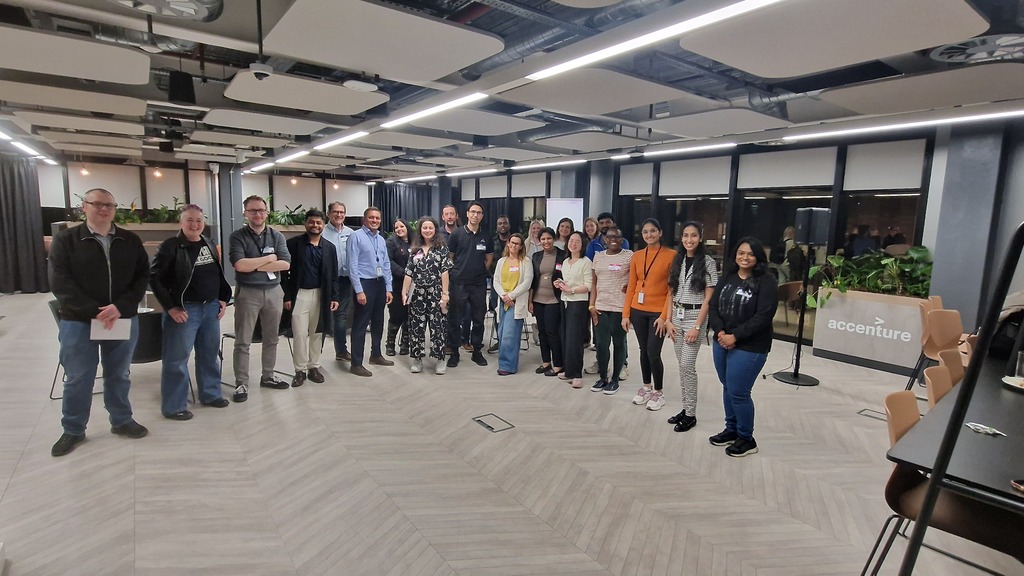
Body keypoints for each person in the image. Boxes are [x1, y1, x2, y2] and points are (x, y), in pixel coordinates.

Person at [48, 188, 150, 456]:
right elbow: (60, 282)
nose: (104, 209)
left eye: (109, 205)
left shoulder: (130, 240)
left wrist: (120, 307)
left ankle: (122, 419)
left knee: (119, 373)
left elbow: (142, 276)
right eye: (97, 204)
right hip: (79, 321)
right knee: (79, 377)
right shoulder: (66, 240)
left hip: (120, 317)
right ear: (84, 207)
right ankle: (73, 429)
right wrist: (95, 311)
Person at [150, 204, 232, 421]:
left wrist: (222, 298)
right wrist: (171, 307)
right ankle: (174, 406)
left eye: (199, 220)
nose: (195, 224)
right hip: (185, 310)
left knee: (209, 353)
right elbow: (155, 278)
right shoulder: (170, 246)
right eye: (190, 220)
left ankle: (211, 394)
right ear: (181, 222)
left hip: (210, 308)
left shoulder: (208, 243)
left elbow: (217, 274)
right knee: (176, 359)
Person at [708, 237, 777, 457]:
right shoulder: (728, 277)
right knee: (727, 387)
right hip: (722, 340)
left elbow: (763, 317)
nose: (744, 257)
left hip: (750, 346)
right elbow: (713, 306)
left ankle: (747, 439)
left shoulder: (766, 281)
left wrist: (735, 336)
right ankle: (731, 430)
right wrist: (720, 332)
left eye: (750, 254)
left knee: (739, 392)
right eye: (741, 253)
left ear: (758, 258)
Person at [228, 195, 292, 402]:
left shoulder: (277, 236)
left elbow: (286, 264)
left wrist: (254, 265)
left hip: (274, 292)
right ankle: (241, 383)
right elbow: (240, 265)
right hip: (248, 293)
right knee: (243, 341)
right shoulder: (237, 236)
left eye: (261, 210)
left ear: (267, 212)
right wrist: (269, 259)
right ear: (245, 213)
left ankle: (268, 376)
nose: (258, 214)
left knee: (272, 338)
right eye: (253, 211)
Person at [664, 222, 718, 432]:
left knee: (687, 365)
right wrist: (668, 320)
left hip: (695, 317)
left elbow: (708, 299)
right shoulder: (677, 259)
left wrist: (697, 327)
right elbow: (670, 292)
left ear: (700, 238)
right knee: (681, 366)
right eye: (686, 235)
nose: (689, 239)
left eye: (693, 235)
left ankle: (691, 414)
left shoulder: (708, 262)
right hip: (676, 317)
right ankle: (685, 409)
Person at [622, 218, 676, 411]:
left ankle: (658, 392)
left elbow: (671, 290)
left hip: (658, 313)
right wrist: (626, 314)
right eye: (645, 231)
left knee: (653, 351)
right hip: (638, 310)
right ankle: (646, 387)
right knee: (643, 350)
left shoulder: (671, 255)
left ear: (660, 233)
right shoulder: (637, 256)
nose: (649, 235)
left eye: (653, 231)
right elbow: (631, 287)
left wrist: (664, 317)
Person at [283, 209, 340, 387]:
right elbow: (284, 273)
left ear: (323, 225)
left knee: (317, 333)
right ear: (306, 223)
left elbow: (334, 275)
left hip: (322, 295)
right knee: (300, 334)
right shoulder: (293, 244)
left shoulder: (329, 247)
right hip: (300, 294)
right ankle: (299, 370)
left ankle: (313, 366)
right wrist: (286, 296)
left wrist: (334, 296)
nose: (315, 225)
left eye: (318, 222)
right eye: (311, 222)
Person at [347, 206, 394, 377]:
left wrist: (389, 288)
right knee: (360, 324)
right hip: (364, 284)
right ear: (364, 219)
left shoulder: (381, 239)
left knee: (379, 321)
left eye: (377, 218)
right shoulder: (356, 237)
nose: (375, 220)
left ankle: (376, 354)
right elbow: (352, 265)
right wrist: (359, 291)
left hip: (379, 283)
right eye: (371, 217)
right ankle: (356, 363)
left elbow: (386, 264)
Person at [403, 216, 452, 374]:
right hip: (417, 295)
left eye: (430, 227)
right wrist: (404, 292)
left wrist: (445, 294)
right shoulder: (414, 249)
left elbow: (445, 272)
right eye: (424, 228)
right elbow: (409, 273)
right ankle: (417, 359)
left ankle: (440, 359)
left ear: (435, 229)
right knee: (416, 327)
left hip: (435, 294)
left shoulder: (441, 248)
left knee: (438, 327)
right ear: (420, 230)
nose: (427, 230)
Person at [447, 201, 493, 368]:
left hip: (478, 283)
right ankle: (454, 352)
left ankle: (477, 351)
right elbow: (450, 257)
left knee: (479, 319)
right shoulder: (456, 234)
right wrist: (458, 272)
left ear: (482, 216)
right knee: (455, 319)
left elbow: (489, 258)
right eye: (472, 212)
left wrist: (479, 271)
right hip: (458, 282)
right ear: (467, 214)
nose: (475, 215)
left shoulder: (486, 235)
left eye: (479, 212)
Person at [588, 226, 632, 395]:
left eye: (617, 236)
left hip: (620, 307)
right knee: (601, 344)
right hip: (600, 307)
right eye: (610, 237)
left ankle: (615, 380)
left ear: (622, 240)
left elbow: (635, 279)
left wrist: (630, 288)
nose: (613, 239)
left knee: (619, 343)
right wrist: (591, 306)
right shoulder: (598, 256)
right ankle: (602, 378)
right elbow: (594, 283)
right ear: (605, 239)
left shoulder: (629, 256)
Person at [492, 233, 533, 375]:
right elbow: (496, 280)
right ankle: (503, 363)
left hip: (516, 303)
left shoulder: (526, 262)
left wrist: (511, 296)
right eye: (512, 242)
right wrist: (504, 296)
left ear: (521, 246)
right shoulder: (501, 261)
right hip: (503, 301)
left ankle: (508, 366)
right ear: (508, 244)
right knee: (502, 333)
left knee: (510, 335)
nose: (514, 245)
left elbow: (527, 282)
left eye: (517, 243)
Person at [556, 231, 592, 388]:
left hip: (578, 303)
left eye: (577, 241)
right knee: (565, 336)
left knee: (575, 339)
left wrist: (571, 290)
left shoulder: (586, 262)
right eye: (571, 240)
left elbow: (588, 285)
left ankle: (577, 374)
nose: (573, 244)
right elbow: (567, 281)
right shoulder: (565, 261)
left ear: (582, 245)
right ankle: (568, 370)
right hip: (565, 301)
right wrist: (560, 283)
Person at [529, 227, 565, 376]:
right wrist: (530, 301)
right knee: (542, 332)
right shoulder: (536, 256)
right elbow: (532, 280)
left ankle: (558, 364)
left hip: (554, 299)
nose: (546, 241)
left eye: (549, 238)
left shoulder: (562, 255)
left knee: (552, 331)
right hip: (538, 299)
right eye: (543, 239)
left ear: (553, 239)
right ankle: (546, 361)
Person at [322, 202, 354, 362]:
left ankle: (341, 351)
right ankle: (314, 356)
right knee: (321, 317)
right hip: (325, 280)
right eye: (335, 212)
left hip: (345, 280)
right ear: (329, 214)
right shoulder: (322, 232)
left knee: (341, 317)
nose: (339, 215)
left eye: (342, 212)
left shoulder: (351, 233)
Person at [386, 218, 411, 356]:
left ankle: (405, 344)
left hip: (413, 285)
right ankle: (390, 344)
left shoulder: (415, 241)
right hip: (396, 284)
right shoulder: (391, 242)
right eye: (396, 227)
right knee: (396, 315)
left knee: (409, 316)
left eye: (401, 226)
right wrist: (404, 273)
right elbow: (388, 261)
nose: (399, 229)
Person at [487, 215, 512, 353]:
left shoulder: (514, 241)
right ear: (497, 226)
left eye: (505, 223)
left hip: (513, 284)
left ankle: (509, 341)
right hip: (496, 283)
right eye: (500, 223)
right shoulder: (492, 241)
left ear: (509, 225)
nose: (502, 225)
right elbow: (487, 260)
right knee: (497, 311)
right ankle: (500, 339)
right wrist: (492, 276)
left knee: (511, 313)